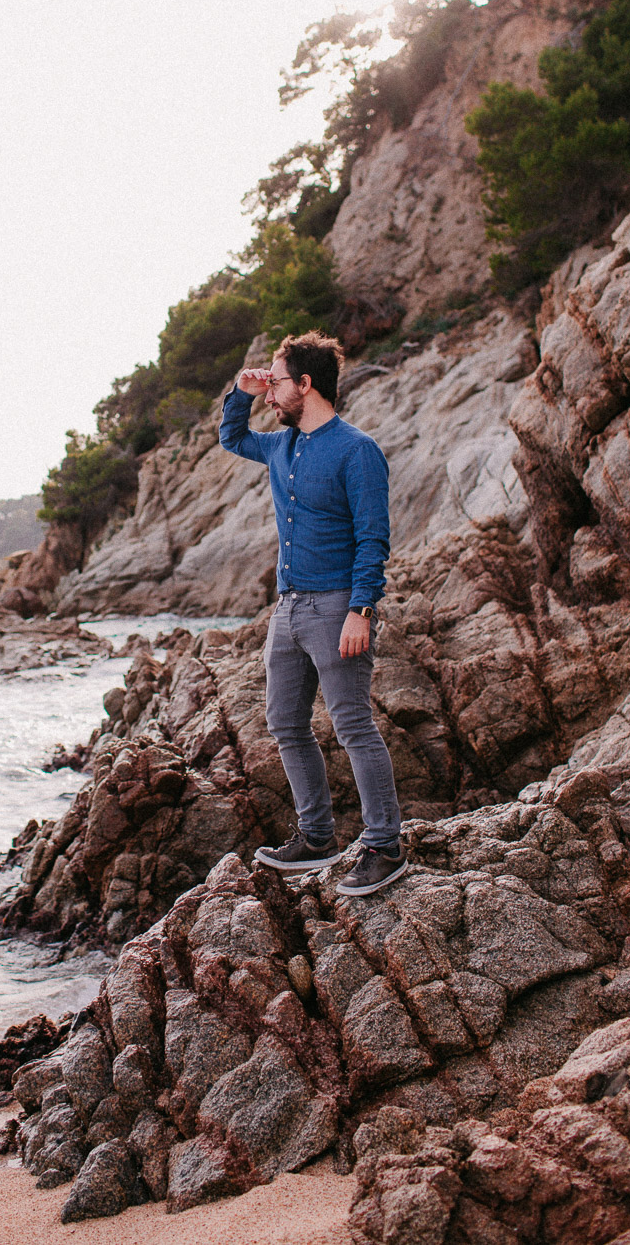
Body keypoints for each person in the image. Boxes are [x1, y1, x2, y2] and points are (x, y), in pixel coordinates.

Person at [218, 330, 406, 895]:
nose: (271, 391)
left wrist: (362, 610)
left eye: (277, 382)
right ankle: (316, 836)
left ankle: (384, 846)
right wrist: (241, 390)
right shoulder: (281, 447)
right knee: (284, 722)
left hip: (335, 609)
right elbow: (231, 437)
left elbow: (374, 539)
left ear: (306, 384)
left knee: (352, 724)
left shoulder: (357, 450)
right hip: (288, 609)